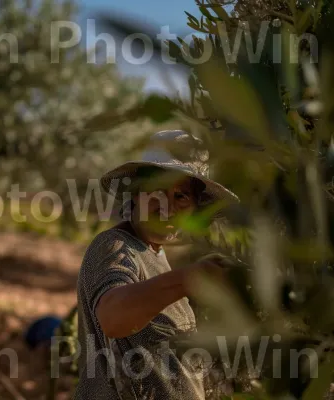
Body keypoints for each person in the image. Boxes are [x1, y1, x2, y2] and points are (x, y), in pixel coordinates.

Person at [74, 130, 239, 400]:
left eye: (181, 196)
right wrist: (190, 278)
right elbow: (113, 318)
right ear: (136, 193)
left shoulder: (156, 257)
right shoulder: (113, 246)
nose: (167, 207)